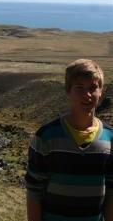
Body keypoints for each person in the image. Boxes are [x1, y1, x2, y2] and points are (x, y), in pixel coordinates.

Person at [25, 59, 113, 221]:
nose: (87, 94)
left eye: (93, 88)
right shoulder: (46, 136)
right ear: (68, 91)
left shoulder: (110, 138)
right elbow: (34, 191)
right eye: (79, 88)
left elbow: (111, 192)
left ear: (101, 92)